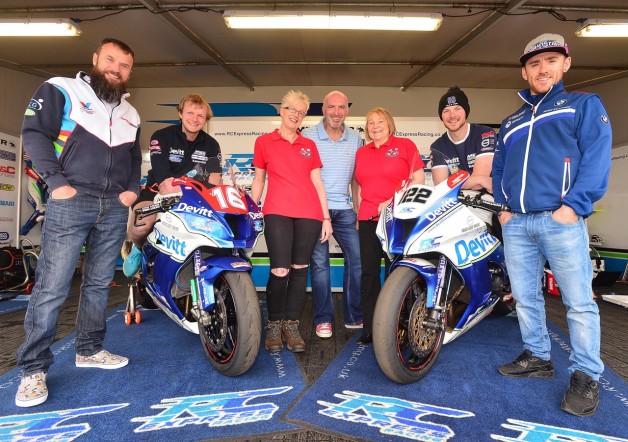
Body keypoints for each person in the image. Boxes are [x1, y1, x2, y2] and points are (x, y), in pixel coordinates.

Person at [16, 38, 142, 408]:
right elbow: (34, 135)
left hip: (114, 205)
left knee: (99, 284)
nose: (116, 69)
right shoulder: (61, 89)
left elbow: (134, 159)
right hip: (71, 201)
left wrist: (132, 190)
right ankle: (33, 369)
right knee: (53, 286)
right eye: (110, 60)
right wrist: (56, 185)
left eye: (124, 65)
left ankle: (89, 348)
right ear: (95, 60)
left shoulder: (131, 113)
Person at [492, 33, 612, 417]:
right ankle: (538, 356)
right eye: (534, 64)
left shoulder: (582, 105)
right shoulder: (511, 121)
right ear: (525, 71)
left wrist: (574, 207)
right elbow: (498, 169)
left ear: (565, 65)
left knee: (578, 303)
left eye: (550, 61)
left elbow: (595, 158)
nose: (542, 69)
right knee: (525, 298)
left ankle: (586, 374)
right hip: (517, 223)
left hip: (560, 220)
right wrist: (503, 209)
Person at [251, 90, 333, 353]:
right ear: (281, 110)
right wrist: (252, 209)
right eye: (291, 109)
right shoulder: (264, 142)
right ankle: (274, 324)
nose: (295, 115)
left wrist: (326, 217)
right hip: (277, 212)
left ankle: (292, 324)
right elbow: (259, 179)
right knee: (280, 270)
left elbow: (318, 183)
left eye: (300, 111)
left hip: (309, 213)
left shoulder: (309, 145)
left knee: (300, 269)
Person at [122, 93, 222, 277]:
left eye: (200, 115)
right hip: (155, 194)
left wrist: (197, 191)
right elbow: (164, 182)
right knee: (141, 226)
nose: (195, 119)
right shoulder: (161, 136)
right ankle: (137, 247)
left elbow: (215, 182)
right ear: (180, 114)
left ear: (205, 119)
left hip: (194, 199)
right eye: (190, 113)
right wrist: (193, 186)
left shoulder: (212, 145)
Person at [354, 107, 425, 344]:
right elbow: (357, 184)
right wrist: (357, 210)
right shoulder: (362, 152)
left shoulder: (405, 145)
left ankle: (402, 328)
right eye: (370, 122)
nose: (375, 126)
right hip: (368, 219)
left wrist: (391, 202)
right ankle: (371, 329)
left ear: (390, 123)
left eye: (380, 121)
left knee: (398, 273)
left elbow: (418, 181)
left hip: (398, 219)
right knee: (369, 274)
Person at [301, 91, 363, 339]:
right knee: (319, 265)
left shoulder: (355, 138)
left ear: (347, 110)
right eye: (331, 107)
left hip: (346, 209)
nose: (336, 112)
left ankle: (353, 315)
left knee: (356, 261)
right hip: (316, 210)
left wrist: (358, 210)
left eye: (341, 107)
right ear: (323, 109)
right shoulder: (307, 136)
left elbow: (357, 180)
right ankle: (323, 319)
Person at [430, 86, 496, 226]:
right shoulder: (437, 146)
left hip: (486, 202)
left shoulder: (484, 133)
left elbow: (479, 184)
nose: (452, 115)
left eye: (457, 108)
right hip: (452, 205)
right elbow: (441, 188)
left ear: (466, 111)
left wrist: (452, 183)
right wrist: (478, 180)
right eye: (446, 111)